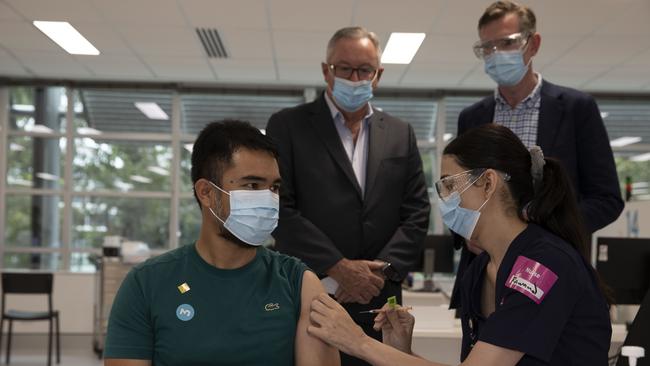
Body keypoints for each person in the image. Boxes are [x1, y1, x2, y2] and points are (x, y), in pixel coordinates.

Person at [308, 124, 612, 366]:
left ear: (488, 183)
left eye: (449, 184)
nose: (445, 198)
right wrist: (402, 350)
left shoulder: (542, 266)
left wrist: (358, 342)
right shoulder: (480, 268)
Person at [103, 120, 340, 366]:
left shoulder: (298, 283)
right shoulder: (147, 283)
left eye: (274, 187)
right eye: (252, 185)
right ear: (206, 192)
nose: (268, 199)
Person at [266, 26, 431, 365]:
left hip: (380, 304)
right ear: (327, 70)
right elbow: (280, 207)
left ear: (378, 75)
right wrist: (338, 268)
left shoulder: (400, 133)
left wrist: (379, 273)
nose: (355, 78)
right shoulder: (289, 125)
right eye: (344, 68)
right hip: (312, 293)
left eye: (365, 70)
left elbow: (416, 212)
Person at [451, 0, 624, 309]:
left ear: (534, 44)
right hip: (484, 275)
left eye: (507, 43)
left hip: (554, 270)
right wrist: (467, 232)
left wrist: (550, 227)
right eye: (487, 48)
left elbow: (606, 199)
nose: (497, 54)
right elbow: (459, 194)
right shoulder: (472, 118)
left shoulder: (576, 109)